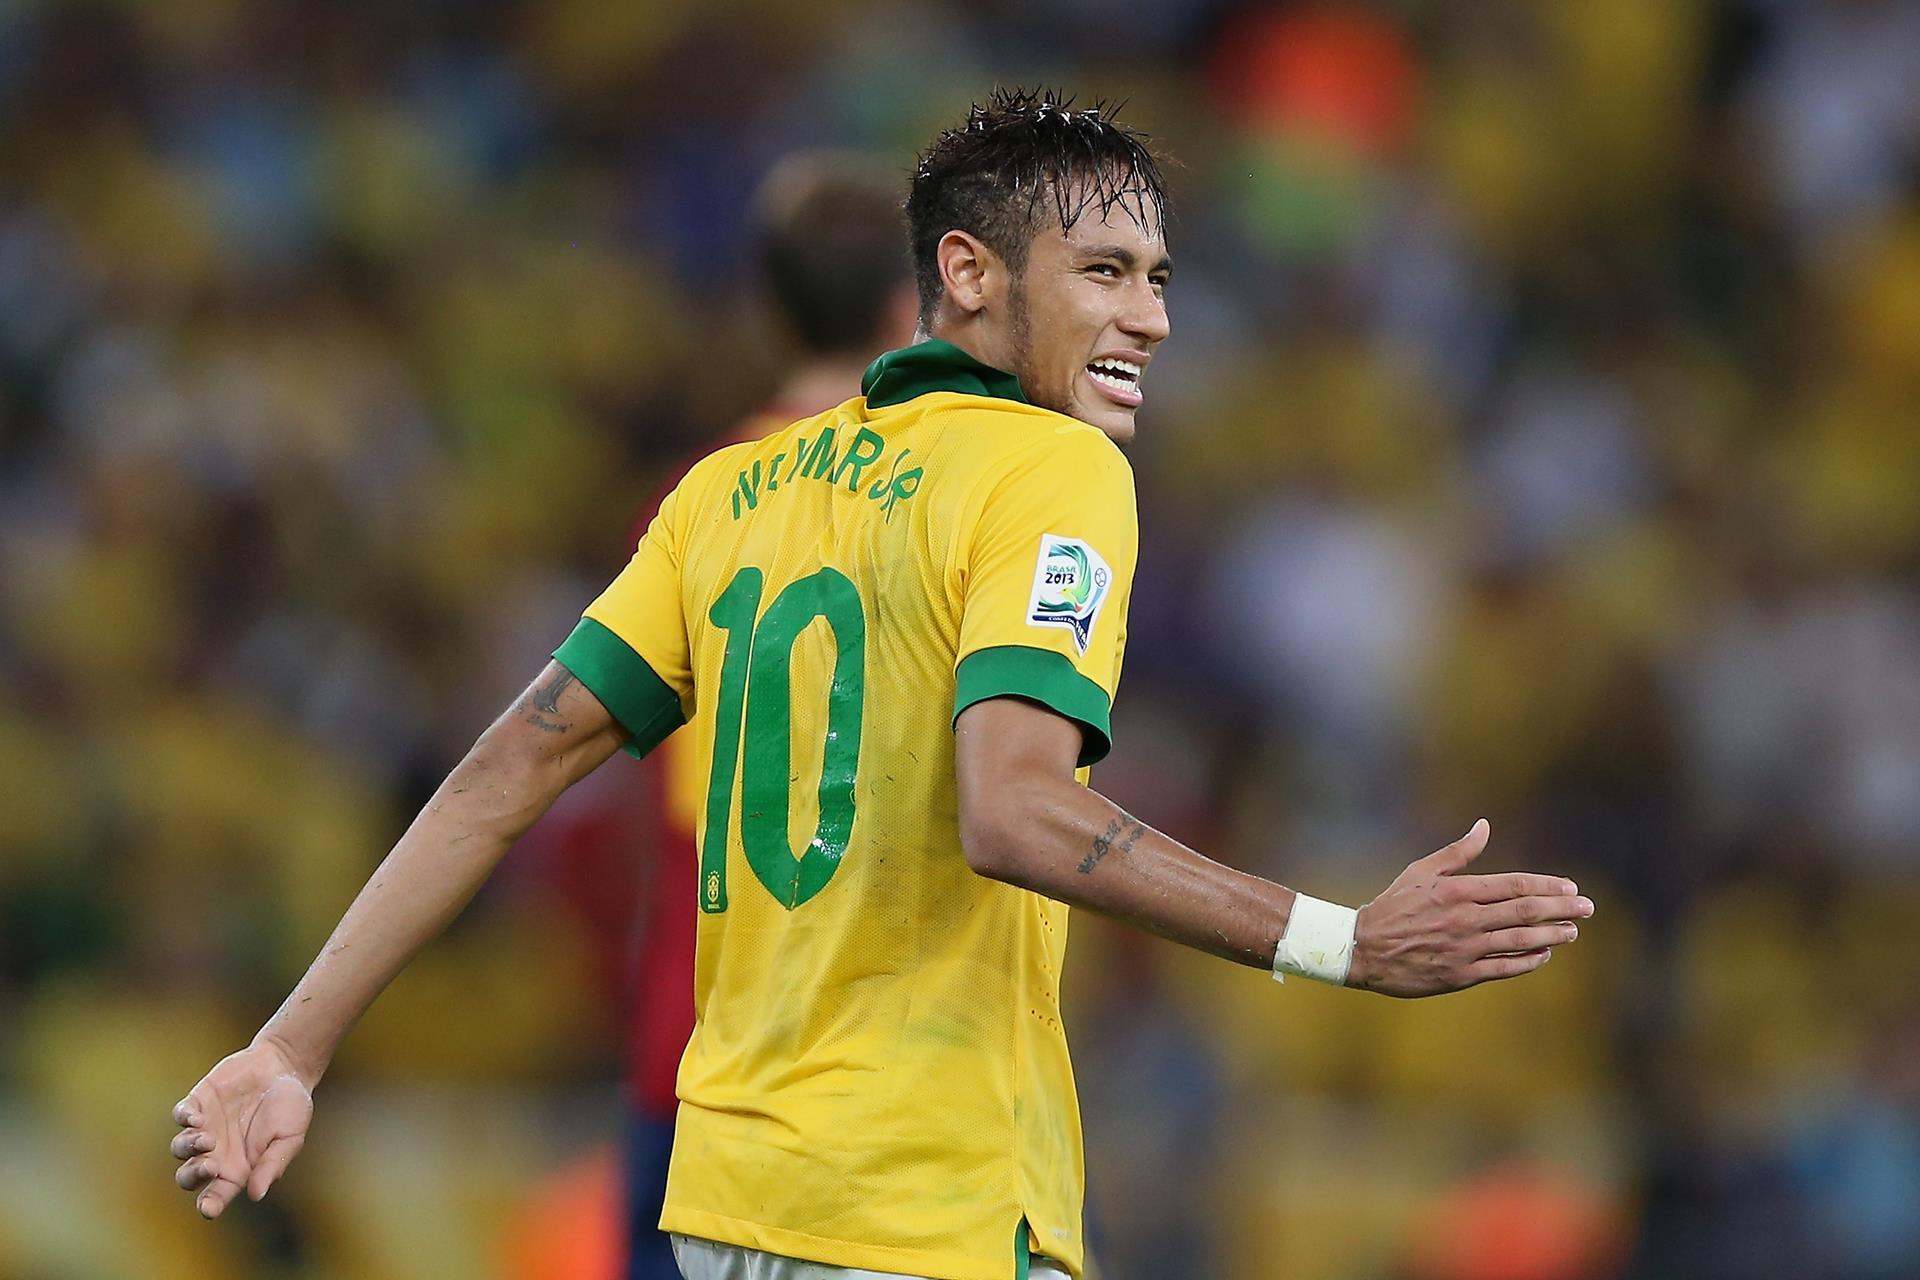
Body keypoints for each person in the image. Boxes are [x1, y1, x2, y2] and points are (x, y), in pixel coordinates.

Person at [170, 89, 1594, 1280]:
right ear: (969, 274)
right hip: (925, 1207)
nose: (1151, 317)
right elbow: (1015, 812)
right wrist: (1343, 942)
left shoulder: (730, 492)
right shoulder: (1054, 469)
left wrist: (290, 1045)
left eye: (1159, 277)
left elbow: (505, 770)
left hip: (726, 1208)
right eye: (1104, 273)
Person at [611, 152, 917, 1279]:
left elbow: (669, 797)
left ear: (769, 310)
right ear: (909, 307)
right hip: (864, 1073)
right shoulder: (945, 503)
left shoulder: (692, 500)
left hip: (691, 1045)